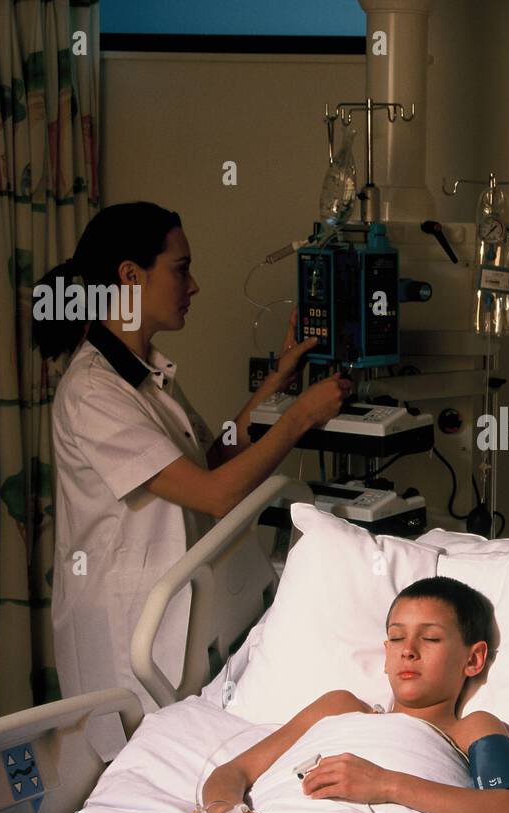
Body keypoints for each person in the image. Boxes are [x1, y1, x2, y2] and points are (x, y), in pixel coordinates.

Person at [46, 202, 350, 753]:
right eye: (181, 268)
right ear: (131, 276)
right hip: (128, 629)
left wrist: (276, 384)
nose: (195, 285)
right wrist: (299, 418)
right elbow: (214, 495)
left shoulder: (143, 374)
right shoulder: (94, 391)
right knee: (131, 777)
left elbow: (208, 461)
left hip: (175, 621)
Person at [199, 577, 509, 813]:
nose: (408, 650)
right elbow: (231, 773)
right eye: (396, 637)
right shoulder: (338, 706)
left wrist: (385, 784)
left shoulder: (470, 728)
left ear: (474, 659)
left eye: (431, 638)